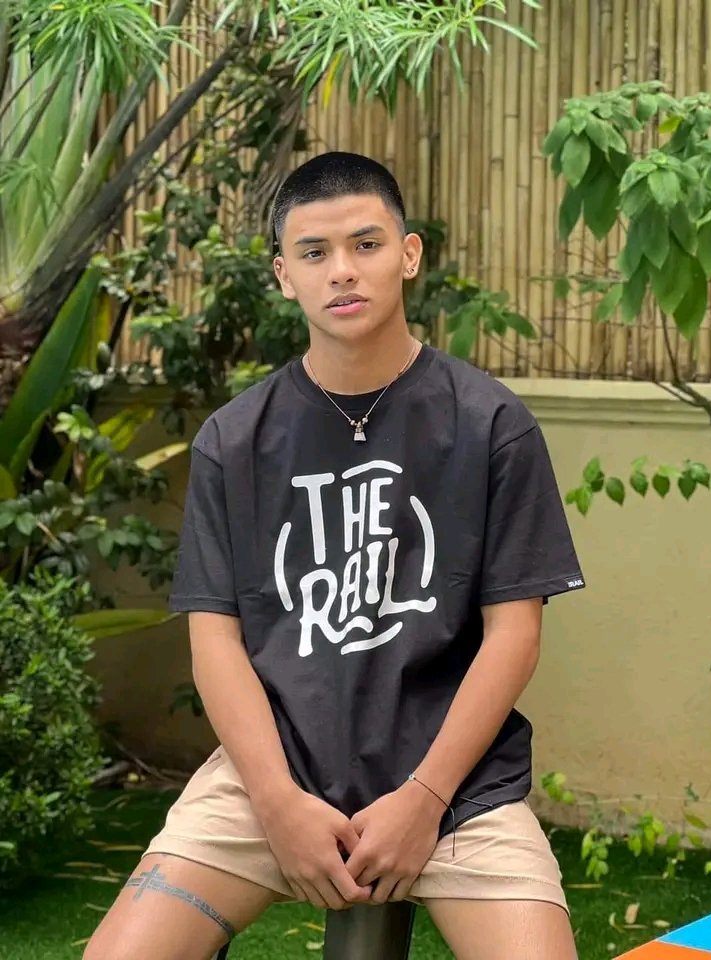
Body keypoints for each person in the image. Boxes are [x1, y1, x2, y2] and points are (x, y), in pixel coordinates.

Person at [84, 151, 584, 960]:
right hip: (269, 779)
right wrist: (277, 802)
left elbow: (514, 635)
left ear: (409, 255)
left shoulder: (491, 424)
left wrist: (424, 799)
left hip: (455, 789)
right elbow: (215, 642)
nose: (342, 271)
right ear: (285, 275)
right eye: (314, 252)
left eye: (366, 244)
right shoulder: (234, 441)